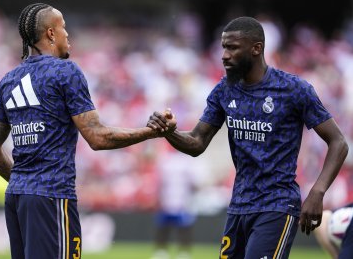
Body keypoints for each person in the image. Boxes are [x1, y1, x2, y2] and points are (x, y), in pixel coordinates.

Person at [0, 3, 175, 259]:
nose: (67, 35)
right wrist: (150, 132)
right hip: (52, 195)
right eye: (63, 28)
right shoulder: (66, 71)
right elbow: (97, 137)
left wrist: (23, 182)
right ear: (51, 33)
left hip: (16, 197)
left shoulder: (8, 80)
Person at [147, 16, 349, 258]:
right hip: (239, 206)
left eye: (231, 47)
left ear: (256, 48)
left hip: (277, 205)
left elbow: (338, 142)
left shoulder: (294, 89)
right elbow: (197, 143)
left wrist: (317, 192)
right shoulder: (224, 89)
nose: (224, 55)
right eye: (223, 47)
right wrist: (169, 132)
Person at [150, 147, 197, 259]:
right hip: (167, 199)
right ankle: (161, 251)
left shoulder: (187, 161)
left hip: (183, 200)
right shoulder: (164, 159)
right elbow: (159, 182)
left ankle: (183, 252)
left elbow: (194, 182)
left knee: (183, 228)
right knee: (163, 228)